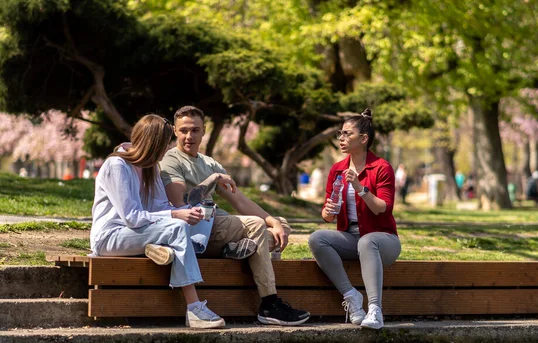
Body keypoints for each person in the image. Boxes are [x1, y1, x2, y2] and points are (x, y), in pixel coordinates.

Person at [160, 105, 310, 326]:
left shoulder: (209, 163)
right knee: (257, 225)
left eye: (194, 130)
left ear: (203, 131)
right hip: (197, 228)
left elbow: (240, 201)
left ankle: (238, 249)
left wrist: (274, 222)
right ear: (174, 130)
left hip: (218, 224)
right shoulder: (171, 161)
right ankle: (269, 303)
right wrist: (213, 179)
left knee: (280, 225)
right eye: (183, 130)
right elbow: (181, 201)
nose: (188, 136)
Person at [90, 114, 230, 329]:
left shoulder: (150, 167)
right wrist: (175, 216)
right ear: (154, 144)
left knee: (197, 215)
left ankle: (167, 248)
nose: (166, 151)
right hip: (111, 237)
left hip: (139, 232)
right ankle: (194, 309)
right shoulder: (117, 165)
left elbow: (161, 207)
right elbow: (132, 217)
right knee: (178, 226)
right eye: (164, 145)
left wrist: (189, 210)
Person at [308, 108, 401, 330]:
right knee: (317, 239)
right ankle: (352, 297)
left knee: (367, 241)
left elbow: (383, 209)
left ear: (363, 138)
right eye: (340, 133)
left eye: (347, 134)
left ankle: (375, 310)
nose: (341, 138)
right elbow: (327, 214)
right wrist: (328, 211)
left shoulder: (381, 168)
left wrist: (360, 188)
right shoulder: (337, 169)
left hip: (384, 240)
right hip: (351, 238)